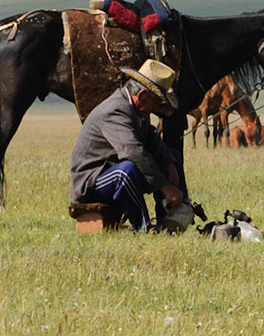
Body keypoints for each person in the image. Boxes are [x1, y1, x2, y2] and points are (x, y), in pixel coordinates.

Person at [69, 59, 187, 230]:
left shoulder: (136, 109)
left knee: (171, 154)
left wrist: (169, 163)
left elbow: (151, 137)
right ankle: (143, 227)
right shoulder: (115, 111)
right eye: (158, 101)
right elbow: (133, 152)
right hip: (92, 184)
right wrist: (165, 187)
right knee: (126, 171)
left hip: (113, 170)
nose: (158, 107)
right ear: (142, 96)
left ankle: (173, 220)